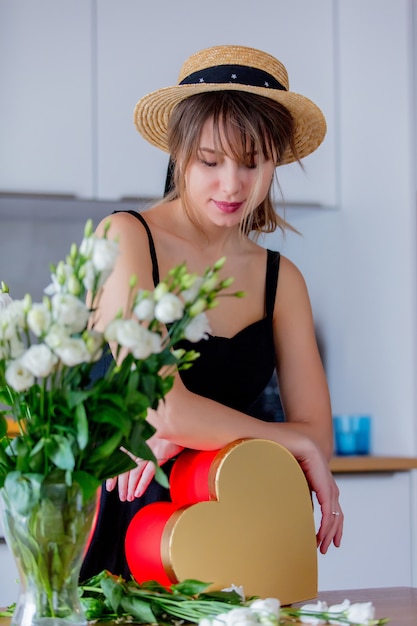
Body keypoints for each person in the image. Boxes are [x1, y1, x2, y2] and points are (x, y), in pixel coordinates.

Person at [80, 44, 343, 581]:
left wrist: (191, 433)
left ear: (276, 162)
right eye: (210, 160)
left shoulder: (280, 280)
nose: (232, 185)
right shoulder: (126, 238)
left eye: (253, 163)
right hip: (126, 534)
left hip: (236, 539)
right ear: (179, 153)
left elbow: (322, 440)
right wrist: (284, 437)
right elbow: (166, 409)